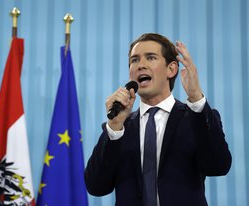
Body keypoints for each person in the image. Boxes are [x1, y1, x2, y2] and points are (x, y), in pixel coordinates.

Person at [84, 33, 232, 206]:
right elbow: (96, 187)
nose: (140, 65)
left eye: (151, 58)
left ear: (171, 69)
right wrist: (114, 128)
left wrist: (196, 98)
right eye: (134, 60)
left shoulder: (196, 118)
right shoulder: (120, 128)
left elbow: (218, 166)